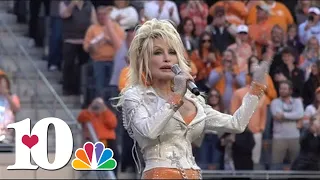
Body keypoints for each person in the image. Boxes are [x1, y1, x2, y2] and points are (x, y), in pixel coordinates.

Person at [117, 18, 273, 179]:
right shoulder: (136, 96)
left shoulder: (192, 98)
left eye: (172, 52)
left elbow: (236, 124)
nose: (167, 58)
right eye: (157, 52)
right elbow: (149, 131)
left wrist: (256, 89)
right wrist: (176, 96)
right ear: (144, 60)